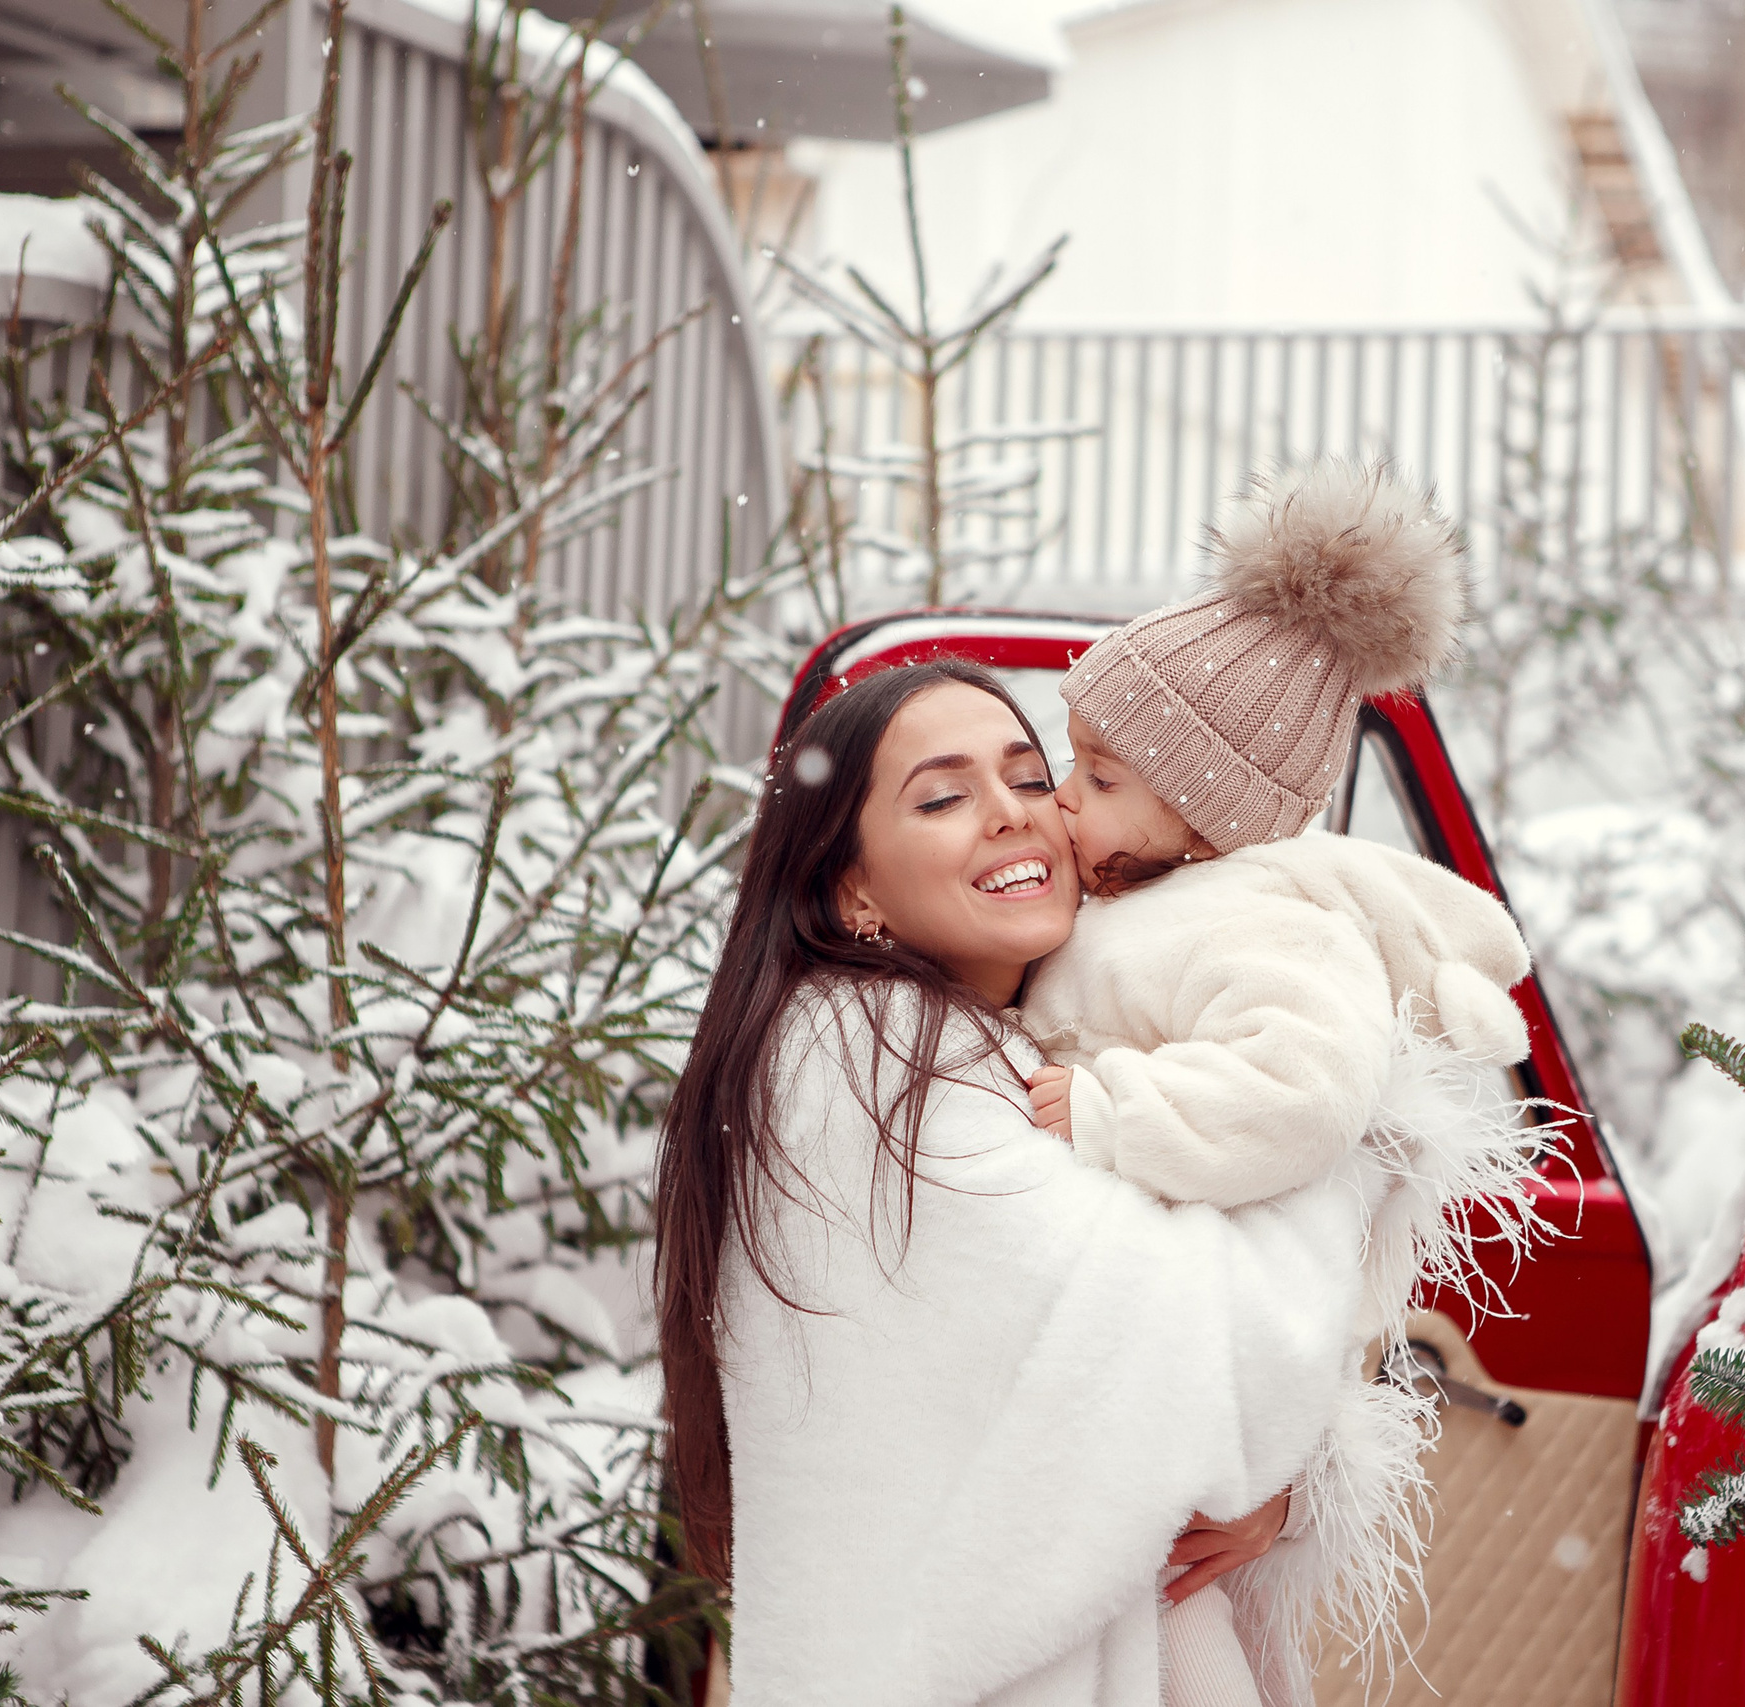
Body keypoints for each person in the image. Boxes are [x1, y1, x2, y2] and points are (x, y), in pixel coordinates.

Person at [652, 658, 1380, 1706]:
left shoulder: (994, 1049)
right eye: (943, 797)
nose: (1010, 816)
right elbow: (1165, 1336)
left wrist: (1265, 1467)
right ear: (852, 886)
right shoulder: (859, 1055)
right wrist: (1328, 1129)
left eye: (1033, 778)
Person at [1014, 460, 1548, 1705]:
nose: (1062, 800)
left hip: (1194, 1385)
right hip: (1127, 1380)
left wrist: (1109, 1112)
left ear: (1205, 809)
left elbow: (1301, 1096)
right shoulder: (1151, 904)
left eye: (1099, 779)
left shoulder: (1261, 927)